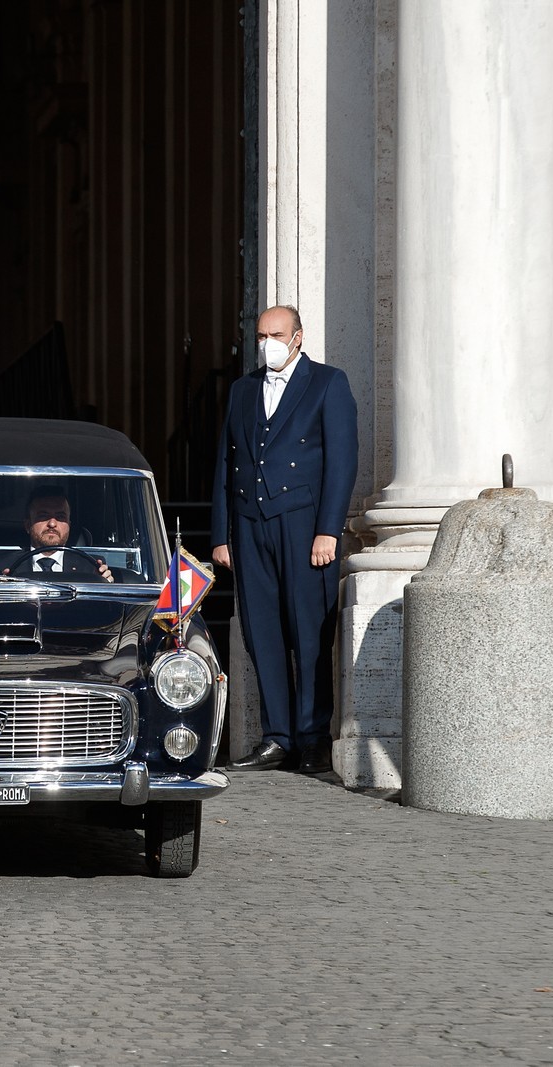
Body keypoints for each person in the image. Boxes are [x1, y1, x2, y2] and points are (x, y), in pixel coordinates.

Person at [210, 305, 358, 774]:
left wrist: (328, 530)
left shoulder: (328, 383)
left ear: (297, 336)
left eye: (275, 334)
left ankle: (313, 738)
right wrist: (221, 535)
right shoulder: (242, 390)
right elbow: (224, 466)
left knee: (310, 633)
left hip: (303, 524)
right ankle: (277, 737)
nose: (266, 343)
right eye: (259, 335)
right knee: (263, 633)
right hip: (250, 525)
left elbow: (342, 463)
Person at [9, 486, 114, 581]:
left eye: (60, 517)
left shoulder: (90, 566)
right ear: (28, 525)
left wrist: (103, 584)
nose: (52, 524)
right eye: (43, 516)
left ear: (69, 525)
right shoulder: (6, 565)